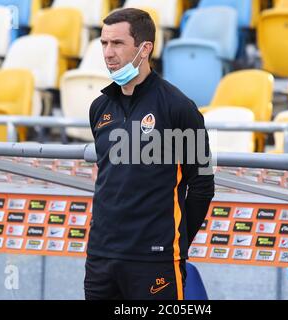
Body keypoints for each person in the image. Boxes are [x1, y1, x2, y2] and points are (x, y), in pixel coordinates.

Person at [85, 8, 215, 300]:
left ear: (145, 48)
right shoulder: (99, 108)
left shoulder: (179, 108)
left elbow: (203, 185)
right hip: (101, 257)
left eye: (117, 44)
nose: (108, 52)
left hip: (154, 260)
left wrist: (174, 242)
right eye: (104, 43)